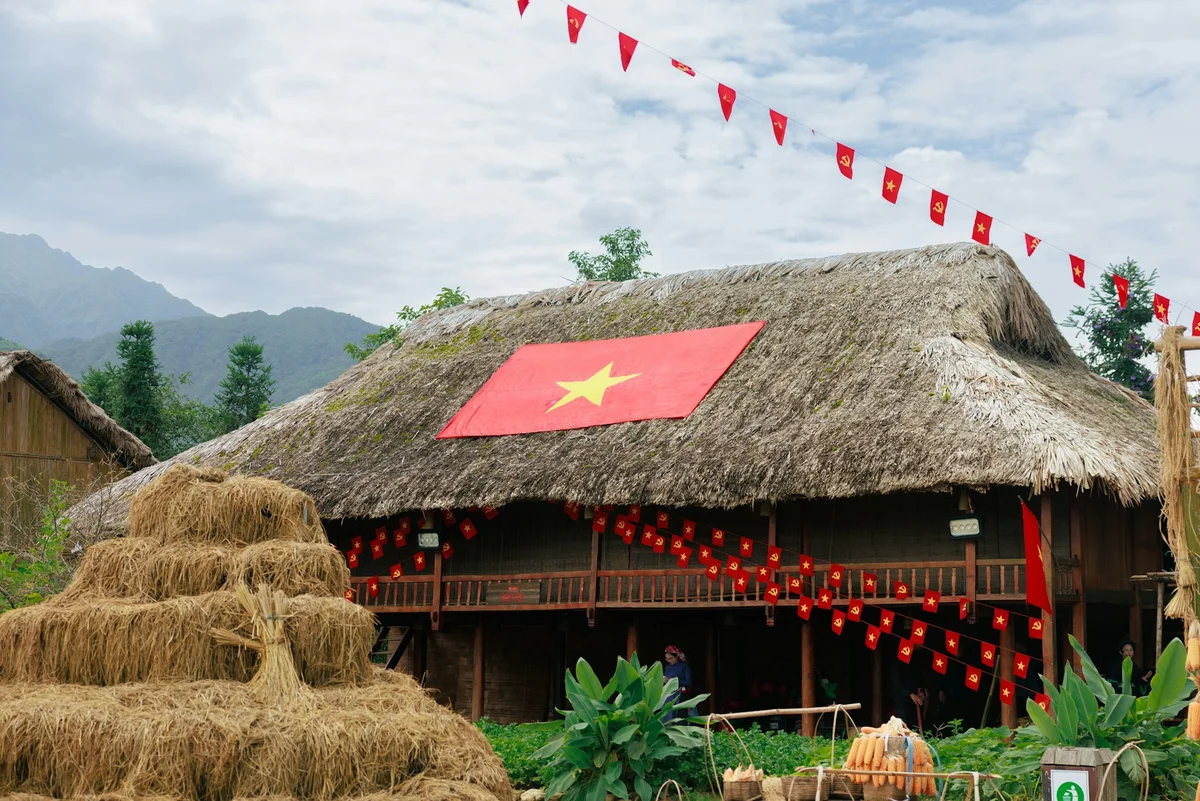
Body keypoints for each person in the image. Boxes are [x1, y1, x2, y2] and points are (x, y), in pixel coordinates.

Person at [663, 645, 692, 720]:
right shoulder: (667, 667)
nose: (669, 661)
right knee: (668, 718)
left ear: (677, 656)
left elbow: (688, 682)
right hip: (668, 696)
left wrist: (674, 681)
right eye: (667, 659)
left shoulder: (684, 666)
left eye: (671, 658)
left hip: (681, 695)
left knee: (679, 718)